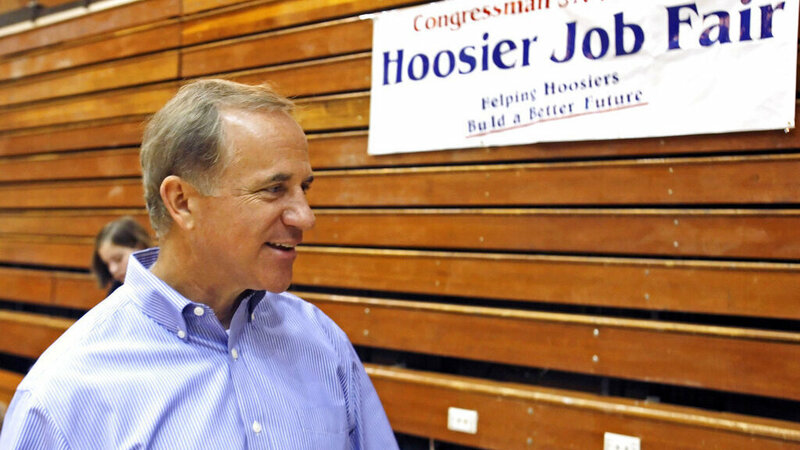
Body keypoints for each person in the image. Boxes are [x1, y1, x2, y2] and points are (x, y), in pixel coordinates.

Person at [0, 79, 398, 449]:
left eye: (304, 188)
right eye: (274, 189)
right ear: (182, 202)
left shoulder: (321, 342)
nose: (305, 217)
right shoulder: (62, 397)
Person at [91, 216, 153, 294]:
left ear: (140, 246)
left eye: (118, 259)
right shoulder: (116, 288)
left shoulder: (161, 279)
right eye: (107, 264)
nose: (113, 269)